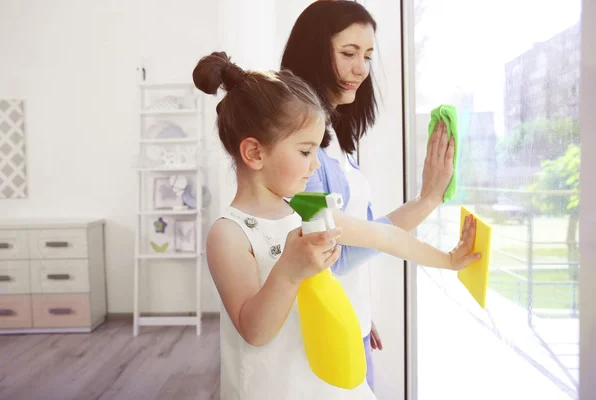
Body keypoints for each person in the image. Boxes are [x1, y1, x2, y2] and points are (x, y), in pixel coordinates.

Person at [194, 51, 479, 399]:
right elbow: (254, 330)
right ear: (254, 153)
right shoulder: (228, 234)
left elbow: (383, 235)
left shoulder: (308, 210)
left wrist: (448, 260)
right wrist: (288, 270)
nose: (315, 166)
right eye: (304, 151)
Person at [280, 0, 457, 390]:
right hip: (323, 334)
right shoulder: (299, 148)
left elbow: (356, 240)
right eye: (348, 53)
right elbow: (330, 248)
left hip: (351, 321)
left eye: (368, 55)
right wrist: (426, 201)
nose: (361, 68)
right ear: (314, 51)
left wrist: (360, 307)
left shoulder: (339, 142)